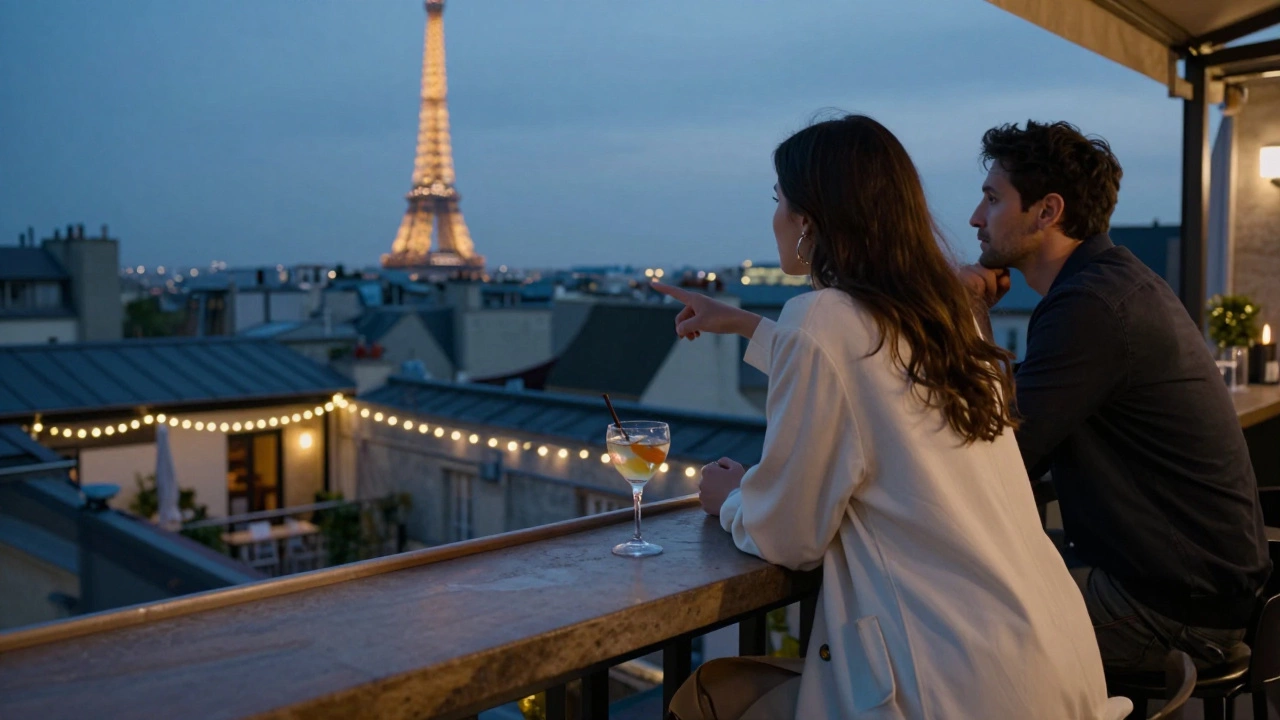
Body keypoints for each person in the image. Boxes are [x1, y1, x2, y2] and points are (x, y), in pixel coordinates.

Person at [655, 115, 1124, 719]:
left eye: (779, 199)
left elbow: (790, 535)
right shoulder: (950, 318)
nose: (774, 216)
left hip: (952, 680)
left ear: (810, 220)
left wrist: (732, 498)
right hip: (1049, 658)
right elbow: (873, 376)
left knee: (706, 700)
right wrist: (746, 324)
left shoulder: (820, 320)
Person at [961, 120, 1270, 672]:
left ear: (1047, 211)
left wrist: (967, 317)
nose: (976, 218)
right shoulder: (1114, 284)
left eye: (991, 198)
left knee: (948, 633)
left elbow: (1002, 451)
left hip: (1170, 608)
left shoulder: (1091, 307)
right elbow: (1014, 432)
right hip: (1192, 581)